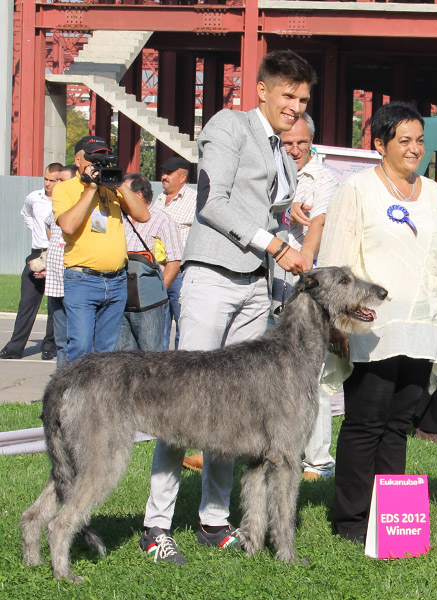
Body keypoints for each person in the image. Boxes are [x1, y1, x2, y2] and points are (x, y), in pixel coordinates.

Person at [139, 49, 316, 565]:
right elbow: (213, 203)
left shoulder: (282, 149)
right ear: (261, 89)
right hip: (212, 277)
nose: (295, 106)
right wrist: (274, 241)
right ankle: (156, 525)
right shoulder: (228, 125)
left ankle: (214, 521)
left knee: (235, 413)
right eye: (288, 95)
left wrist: (288, 213)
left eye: (303, 99)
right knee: (182, 404)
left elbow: (262, 203)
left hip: (255, 287)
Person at [317, 101, 437, 543]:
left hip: (424, 324)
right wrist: (338, 318)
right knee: (366, 422)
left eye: (420, 141)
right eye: (404, 140)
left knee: (399, 423)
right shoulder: (358, 189)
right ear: (380, 144)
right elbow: (337, 259)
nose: (415, 149)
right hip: (372, 324)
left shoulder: (436, 193)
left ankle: (389, 527)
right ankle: (351, 523)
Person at [276, 113, 340, 481]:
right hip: (271, 282)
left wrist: (306, 272)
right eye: (288, 142)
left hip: (308, 287)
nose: (296, 149)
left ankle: (318, 461)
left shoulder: (325, 180)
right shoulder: (274, 171)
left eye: (302, 143)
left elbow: (318, 226)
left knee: (312, 376)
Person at [52, 136, 150, 364]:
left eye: (104, 157)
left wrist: (120, 185)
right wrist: (91, 188)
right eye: (93, 158)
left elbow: (143, 215)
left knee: (107, 352)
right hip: (83, 279)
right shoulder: (66, 189)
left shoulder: (113, 187)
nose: (99, 164)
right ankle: (72, 397)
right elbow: (68, 225)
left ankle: (98, 399)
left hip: (116, 281)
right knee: (81, 346)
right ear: (78, 159)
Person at [0, 163, 62, 360]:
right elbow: (26, 214)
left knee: (55, 303)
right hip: (37, 253)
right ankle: (15, 347)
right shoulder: (34, 197)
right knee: (27, 302)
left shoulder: (65, 200)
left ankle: (49, 345)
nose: (48, 183)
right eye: (46, 179)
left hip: (57, 255)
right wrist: (36, 232)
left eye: (52, 180)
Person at [115, 173, 182, 352]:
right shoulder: (118, 218)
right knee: (123, 361)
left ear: (138, 196)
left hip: (149, 305)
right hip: (120, 301)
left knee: (152, 361)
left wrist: (158, 294)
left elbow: (174, 261)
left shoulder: (163, 221)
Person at [151, 155, 196, 350]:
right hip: (157, 270)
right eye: (163, 172)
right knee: (158, 325)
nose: (164, 176)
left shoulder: (194, 200)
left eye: (169, 173)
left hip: (181, 272)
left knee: (184, 324)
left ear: (182, 177)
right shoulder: (159, 199)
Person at [43, 164, 78, 367]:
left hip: (74, 281)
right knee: (61, 341)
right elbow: (49, 224)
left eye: (61, 181)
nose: (57, 185)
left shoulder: (82, 206)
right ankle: (60, 382)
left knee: (78, 341)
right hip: (55, 282)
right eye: (55, 181)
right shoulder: (57, 205)